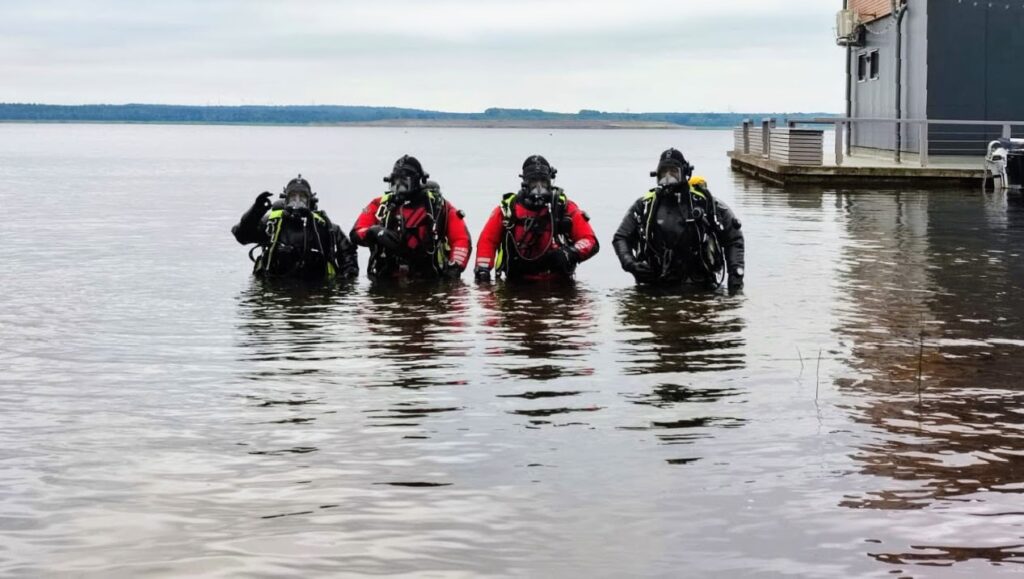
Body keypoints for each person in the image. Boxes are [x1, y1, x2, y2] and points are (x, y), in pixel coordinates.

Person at [612, 148, 745, 291]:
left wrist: (735, 277)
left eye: (673, 172)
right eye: (663, 173)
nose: (668, 178)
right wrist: (631, 264)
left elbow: (733, 238)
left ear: (685, 173)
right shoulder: (646, 205)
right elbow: (621, 237)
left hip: (700, 286)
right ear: (657, 175)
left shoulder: (704, 202)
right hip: (654, 286)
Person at [474, 155, 599, 282]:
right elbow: (487, 240)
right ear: (525, 183)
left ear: (550, 182)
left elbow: (590, 240)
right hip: (517, 282)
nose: (539, 187)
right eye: (533, 182)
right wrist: (483, 270)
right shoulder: (508, 210)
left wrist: (571, 252)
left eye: (543, 181)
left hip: (559, 282)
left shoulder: (564, 208)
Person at [350, 155, 472, 280]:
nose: (398, 187)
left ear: (418, 181)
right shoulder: (381, 204)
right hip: (386, 278)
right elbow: (356, 232)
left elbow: (461, 239)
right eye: (395, 182)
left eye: (404, 182)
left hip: (429, 279)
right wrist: (373, 232)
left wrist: (454, 268)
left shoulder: (439, 207)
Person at [232, 175, 358, 280]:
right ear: (285, 200)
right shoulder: (272, 223)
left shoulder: (324, 227)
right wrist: (255, 211)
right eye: (292, 197)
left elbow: (348, 253)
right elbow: (242, 236)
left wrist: (347, 277)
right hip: (276, 289)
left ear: (310, 201)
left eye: (302, 197)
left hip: (314, 292)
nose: (297, 202)